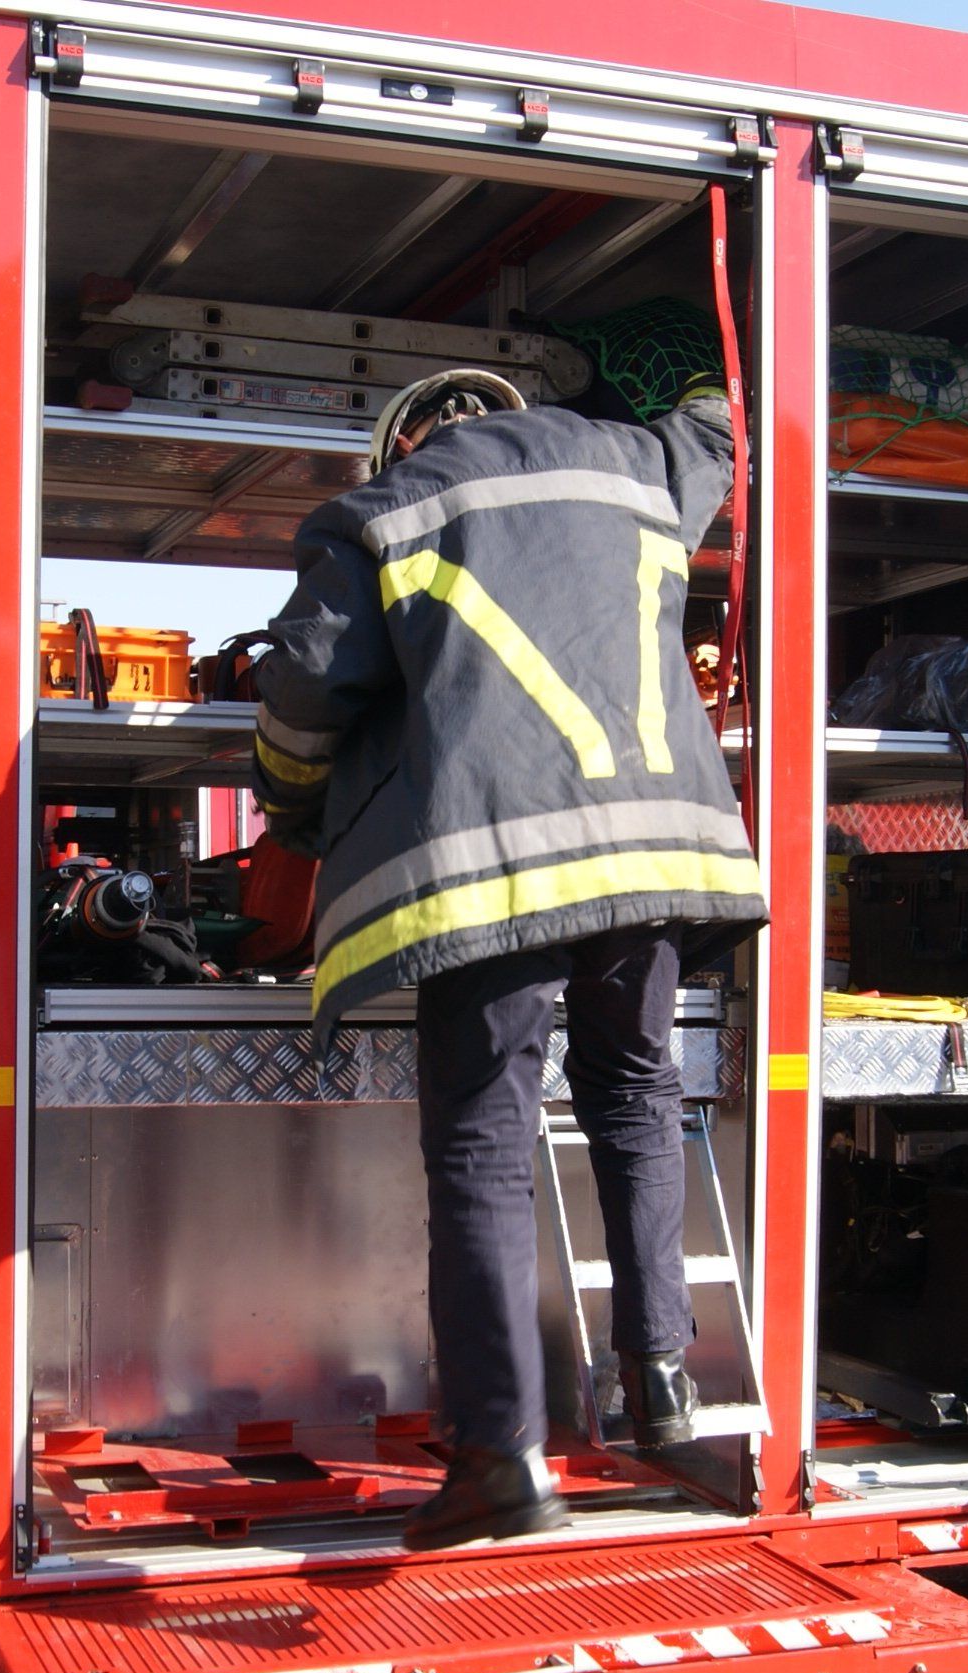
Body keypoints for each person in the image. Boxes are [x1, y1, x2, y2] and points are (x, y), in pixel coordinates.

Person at [250, 366, 768, 1550]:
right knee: (635, 1092)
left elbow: (303, 694)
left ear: (408, 438)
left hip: (495, 869)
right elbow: (726, 423)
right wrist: (667, 380)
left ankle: (499, 1455)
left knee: (484, 1142)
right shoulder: (641, 462)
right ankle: (660, 1379)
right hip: (650, 859)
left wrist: (289, 807)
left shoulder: (380, 511)